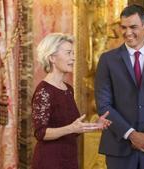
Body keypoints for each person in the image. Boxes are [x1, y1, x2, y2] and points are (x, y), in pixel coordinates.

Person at [95, 4, 144, 169]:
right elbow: (103, 106)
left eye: (133, 27)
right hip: (118, 147)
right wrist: (131, 135)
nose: (128, 33)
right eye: (124, 27)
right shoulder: (107, 60)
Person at [31, 33, 111, 169]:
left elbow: (74, 128)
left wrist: (95, 126)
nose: (73, 58)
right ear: (52, 58)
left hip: (69, 158)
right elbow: (41, 133)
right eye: (68, 53)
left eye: (73, 53)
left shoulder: (68, 89)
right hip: (50, 160)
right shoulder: (44, 91)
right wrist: (70, 128)